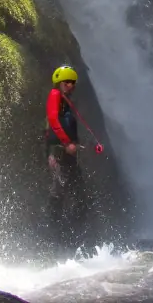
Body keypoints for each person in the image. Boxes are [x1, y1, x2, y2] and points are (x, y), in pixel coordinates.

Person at [44, 65, 89, 232]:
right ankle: (53, 231)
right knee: (59, 190)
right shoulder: (55, 95)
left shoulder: (66, 101)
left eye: (73, 83)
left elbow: (67, 125)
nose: (71, 85)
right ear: (59, 83)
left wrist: (75, 143)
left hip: (66, 152)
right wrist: (66, 143)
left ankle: (71, 231)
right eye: (67, 82)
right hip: (59, 151)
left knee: (77, 191)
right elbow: (53, 120)